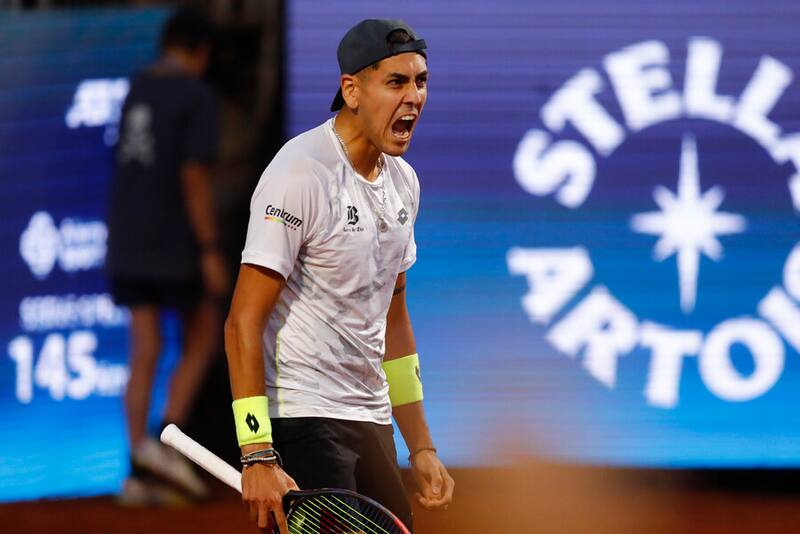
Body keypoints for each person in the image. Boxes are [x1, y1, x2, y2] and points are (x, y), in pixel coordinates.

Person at [224, 18, 454, 533]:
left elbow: (393, 321)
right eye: (396, 82)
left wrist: (420, 444)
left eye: (420, 81)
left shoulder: (404, 184)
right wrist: (256, 450)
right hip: (302, 416)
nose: (413, 97)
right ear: (351, 90)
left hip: (370, 417)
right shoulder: (298, 173)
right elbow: (242, 323)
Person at [106, 7, 228, 504]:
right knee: (205, 329)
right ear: (202, 51)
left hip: (127, 238)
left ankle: (138, 464)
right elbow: (193, 177)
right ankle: (167, 441)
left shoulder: (138, 86)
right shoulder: (196, 95)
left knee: (145, 347)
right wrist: (209, 248)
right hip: (173, 241)